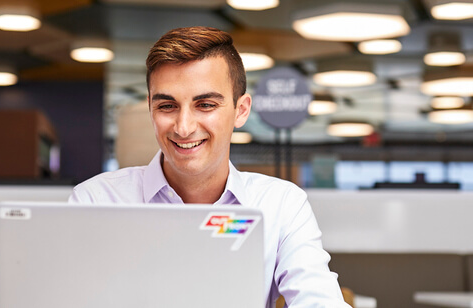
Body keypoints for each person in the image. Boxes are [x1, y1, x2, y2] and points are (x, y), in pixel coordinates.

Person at [69, 26, 349, 307]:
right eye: (167, 106)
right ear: (151, 109)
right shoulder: (96, 201)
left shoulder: (281, 205)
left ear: (241, 110)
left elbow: (319, 300)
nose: (184, 127)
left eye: (205, 104)